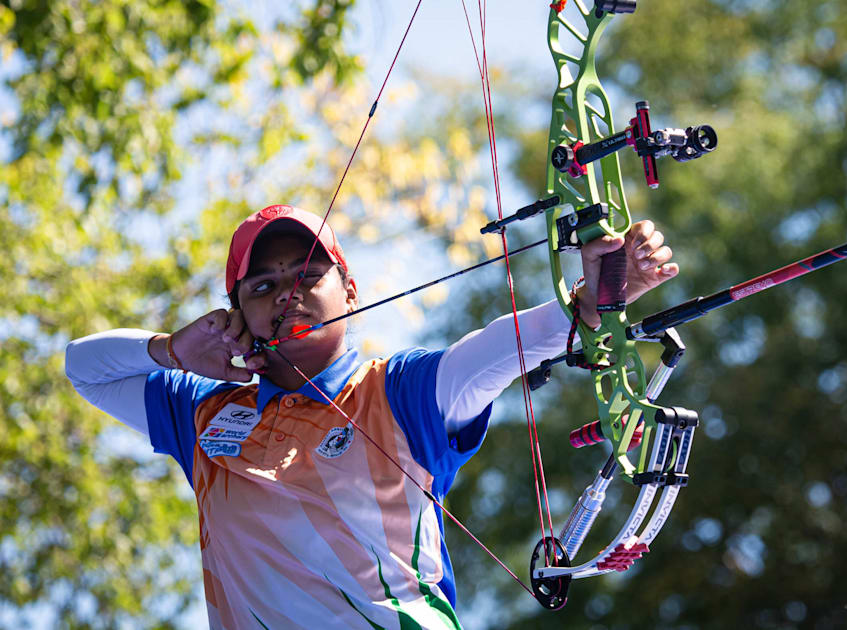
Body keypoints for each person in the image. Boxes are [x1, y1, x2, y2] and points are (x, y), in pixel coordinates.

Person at [64, 204, 677, 629]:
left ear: (349, 289)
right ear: (236, 314)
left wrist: (588, 305)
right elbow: (82, 366)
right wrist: (171, 351)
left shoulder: (394, 392)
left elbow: (493, 352)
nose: (286, 293)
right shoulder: (201, 412)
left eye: (308, 274)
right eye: (261, 286)